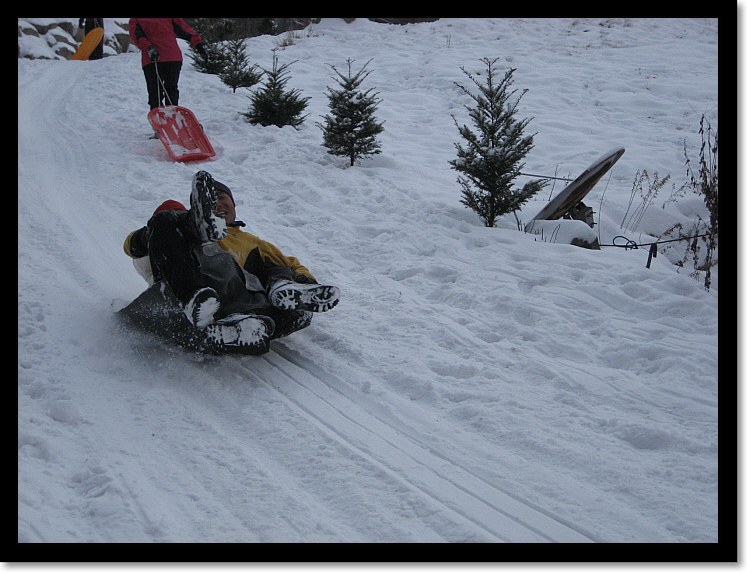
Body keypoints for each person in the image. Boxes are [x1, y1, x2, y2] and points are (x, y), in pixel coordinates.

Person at [122, 171, 340, 354]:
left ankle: (244, 327)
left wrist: (305, 280)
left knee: (293, 300)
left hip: (246, 306)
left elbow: (290, 264)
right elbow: (133, 247)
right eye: (210, 202)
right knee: (199, 246)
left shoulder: (251, 241)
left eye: (222, 198)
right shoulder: (164, 239)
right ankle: (197, 301)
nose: (217, 203)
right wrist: (158, 231)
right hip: (195, 304)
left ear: (233, 205)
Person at [128, 18, 206, 111]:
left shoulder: (136, 19)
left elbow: (138, 36)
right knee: (171, 91)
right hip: (171, 57)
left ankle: (160, 120)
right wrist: (198, 45)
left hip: (153, 59)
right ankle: (172, 118)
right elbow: (184, 29)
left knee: (155, 93)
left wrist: (148, 48)